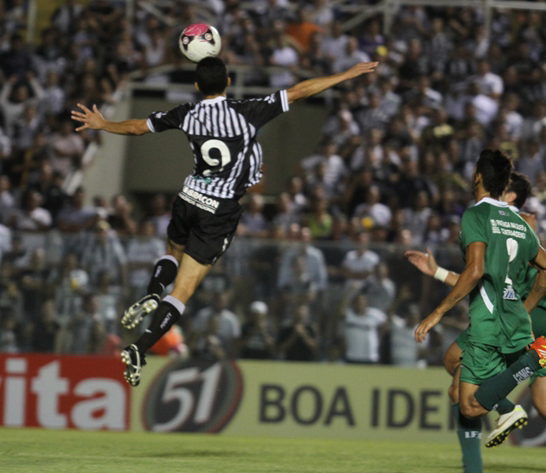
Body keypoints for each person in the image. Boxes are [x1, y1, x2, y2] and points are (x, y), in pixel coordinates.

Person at [73, 56, 377, 385]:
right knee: (184, 290)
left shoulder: (187, 113)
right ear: (228, 82)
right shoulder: (247, 112)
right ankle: (140, 347)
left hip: (189, 197)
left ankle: (153, 290)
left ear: (196, 85)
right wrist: (346, 74)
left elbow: (137, 127)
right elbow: (300, 91)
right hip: (219, 209)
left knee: (172, 250)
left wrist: (103, 124)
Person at [414, 152, 546, 473]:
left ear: (477, 177)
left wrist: (437, 313)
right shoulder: (521, 223)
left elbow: (475, 271)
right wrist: (526, 304)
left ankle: (533, 362)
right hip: (517, 321)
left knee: (469, 403)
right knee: (457, 381)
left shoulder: (476, 214)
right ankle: (474, 471)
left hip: (489, 323)